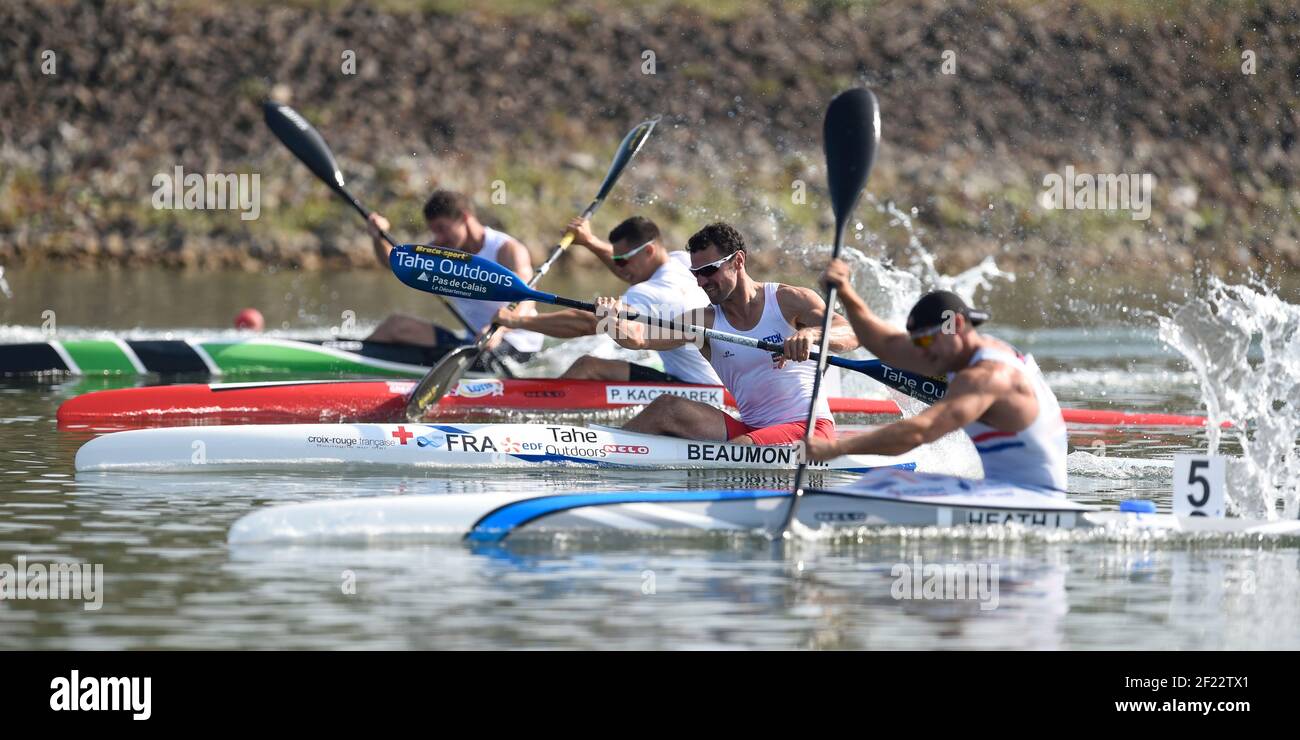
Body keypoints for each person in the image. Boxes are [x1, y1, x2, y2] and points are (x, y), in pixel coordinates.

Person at [806, 258, 1067, 491]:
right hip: (1003, 489)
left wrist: (836, 449)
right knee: (888, 480)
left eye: (926, 342)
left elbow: (921, 431)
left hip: (1031, 497)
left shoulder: (987, 376)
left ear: (958, 326)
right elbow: (886, 344)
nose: (922, 353)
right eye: (917, 343)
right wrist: (846, 292)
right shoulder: (960, 352)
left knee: (888, 481)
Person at [598, 222, 858, 445]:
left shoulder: (788, 300)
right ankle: (607, 451)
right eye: (696, 273)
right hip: (751, 430)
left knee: (739, 448)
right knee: (667, 408)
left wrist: (811, 334)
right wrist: (611, 319)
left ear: (738, 261)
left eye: (709, 270)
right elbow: (640, 338)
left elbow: (850, 333)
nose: (701, 282)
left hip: (810, 429)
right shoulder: (703, 321)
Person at [492, 216, 721, 385]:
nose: (620, 268)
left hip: (696, 387)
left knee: (587, 366)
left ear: (649, 251)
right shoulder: (682, 262)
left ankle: (534, 406)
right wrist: (590, 241)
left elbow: (587, 324)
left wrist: (515, 321)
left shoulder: (647, 292)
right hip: (722, 381)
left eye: (622, 261)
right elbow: (628, 269)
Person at [364, 190, 543, 364]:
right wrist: (378, 236)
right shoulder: (443, 252)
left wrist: (499, 330)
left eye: (442, 228)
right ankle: (355, 357)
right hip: (473, 341)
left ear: (465, 218)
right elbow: (392, 263)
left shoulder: (506, 250)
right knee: (396, 326)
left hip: (516, 342)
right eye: (434, 232)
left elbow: (527, 299)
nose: (439, 239)